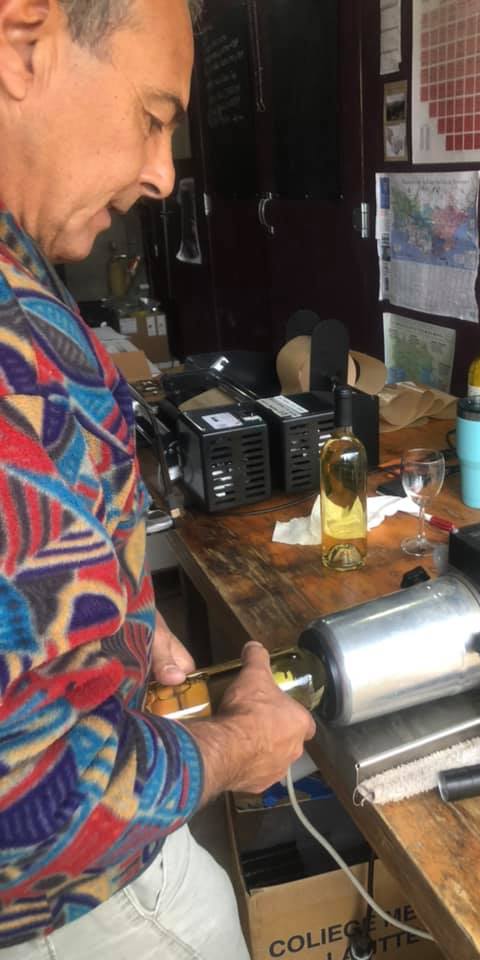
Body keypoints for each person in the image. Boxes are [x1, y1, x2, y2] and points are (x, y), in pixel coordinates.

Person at [0, 0, 316, 956]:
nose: (162, 172)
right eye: (151, 116)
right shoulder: (17, 359)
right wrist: (235, 749)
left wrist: (121, 608)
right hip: (74, 913)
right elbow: (30, 803)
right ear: (23, 45)